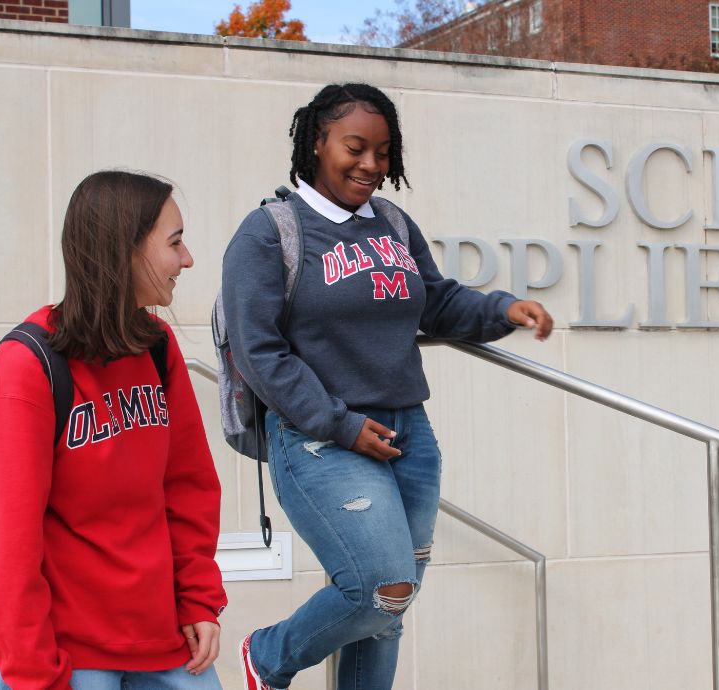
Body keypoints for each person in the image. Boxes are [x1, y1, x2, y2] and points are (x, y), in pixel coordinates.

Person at [221, 83, 553, 690]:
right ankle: (268, 655)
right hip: (322, 439)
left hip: (410, 435)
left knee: (389, 614)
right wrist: (341, 424)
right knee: (382, 589)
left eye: (383, 151)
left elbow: (439, 303)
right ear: (317, 143)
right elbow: (260, 351)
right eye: (355, 147)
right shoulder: (269, 234)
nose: (371, 165)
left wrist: (504, 311)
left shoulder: (394, 223)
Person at [0, 171, 227, 690]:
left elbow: (187, 488)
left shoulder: (158, 348)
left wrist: (198, 599)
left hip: (164, 643)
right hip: (60, 653)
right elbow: (5, 543)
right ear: (125, 250)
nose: (187, 260)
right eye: (175, 242)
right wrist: (33, 674)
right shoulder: (27, 366)